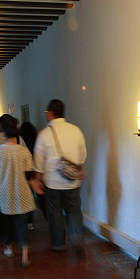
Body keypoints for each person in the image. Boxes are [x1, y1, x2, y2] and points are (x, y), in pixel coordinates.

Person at [33, 99, 87, 258]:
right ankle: (76, 236)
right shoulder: (76, 130)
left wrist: (37, 180)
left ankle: (58, 245)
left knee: (55, 212)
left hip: (52, 182)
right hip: (72, 180)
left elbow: (38, 161)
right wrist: (79, 170)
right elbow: (82, 156)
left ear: (50, 113)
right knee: (74, 210)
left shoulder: (44, 134)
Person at [0, 115, 43, 268]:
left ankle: (9, 249)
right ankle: (25, 255)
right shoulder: (24, 152)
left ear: (3, 133)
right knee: (22, 224)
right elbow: (29, 176)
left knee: (7, 223)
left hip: (3, 193)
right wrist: (36, 187)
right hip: (22, 193)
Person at [19, 121, 39, 230]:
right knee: (30, 196)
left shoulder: (20, 142)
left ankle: (22, 219)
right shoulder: (36, 140)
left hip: (23, 171)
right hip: (33, 171)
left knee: (22, 196)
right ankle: (30, 222)